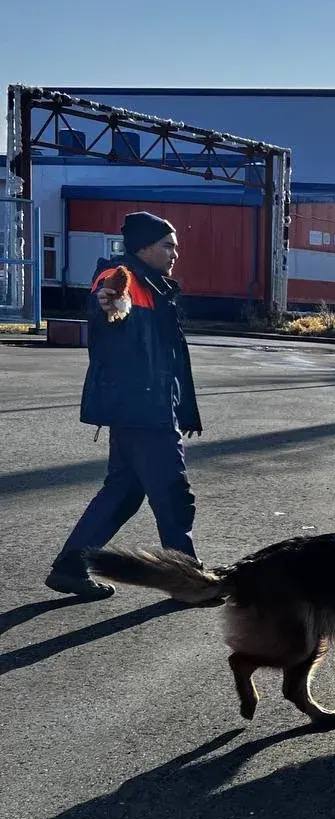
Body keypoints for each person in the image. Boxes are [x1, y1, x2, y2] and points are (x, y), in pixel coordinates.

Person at [45, 212, 203, 600]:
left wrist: (185, 410)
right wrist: (109, 302)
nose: (174, 254)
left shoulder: (156, 284)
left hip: (144, 405)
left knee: (123, 492)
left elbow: (170, 354)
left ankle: (70, 567)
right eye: (167, 245)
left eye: (176, 246)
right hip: (143, 408)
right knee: (172, 493)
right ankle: (187, 581)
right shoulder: (121, 277)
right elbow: (110, 304)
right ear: (142, 247)